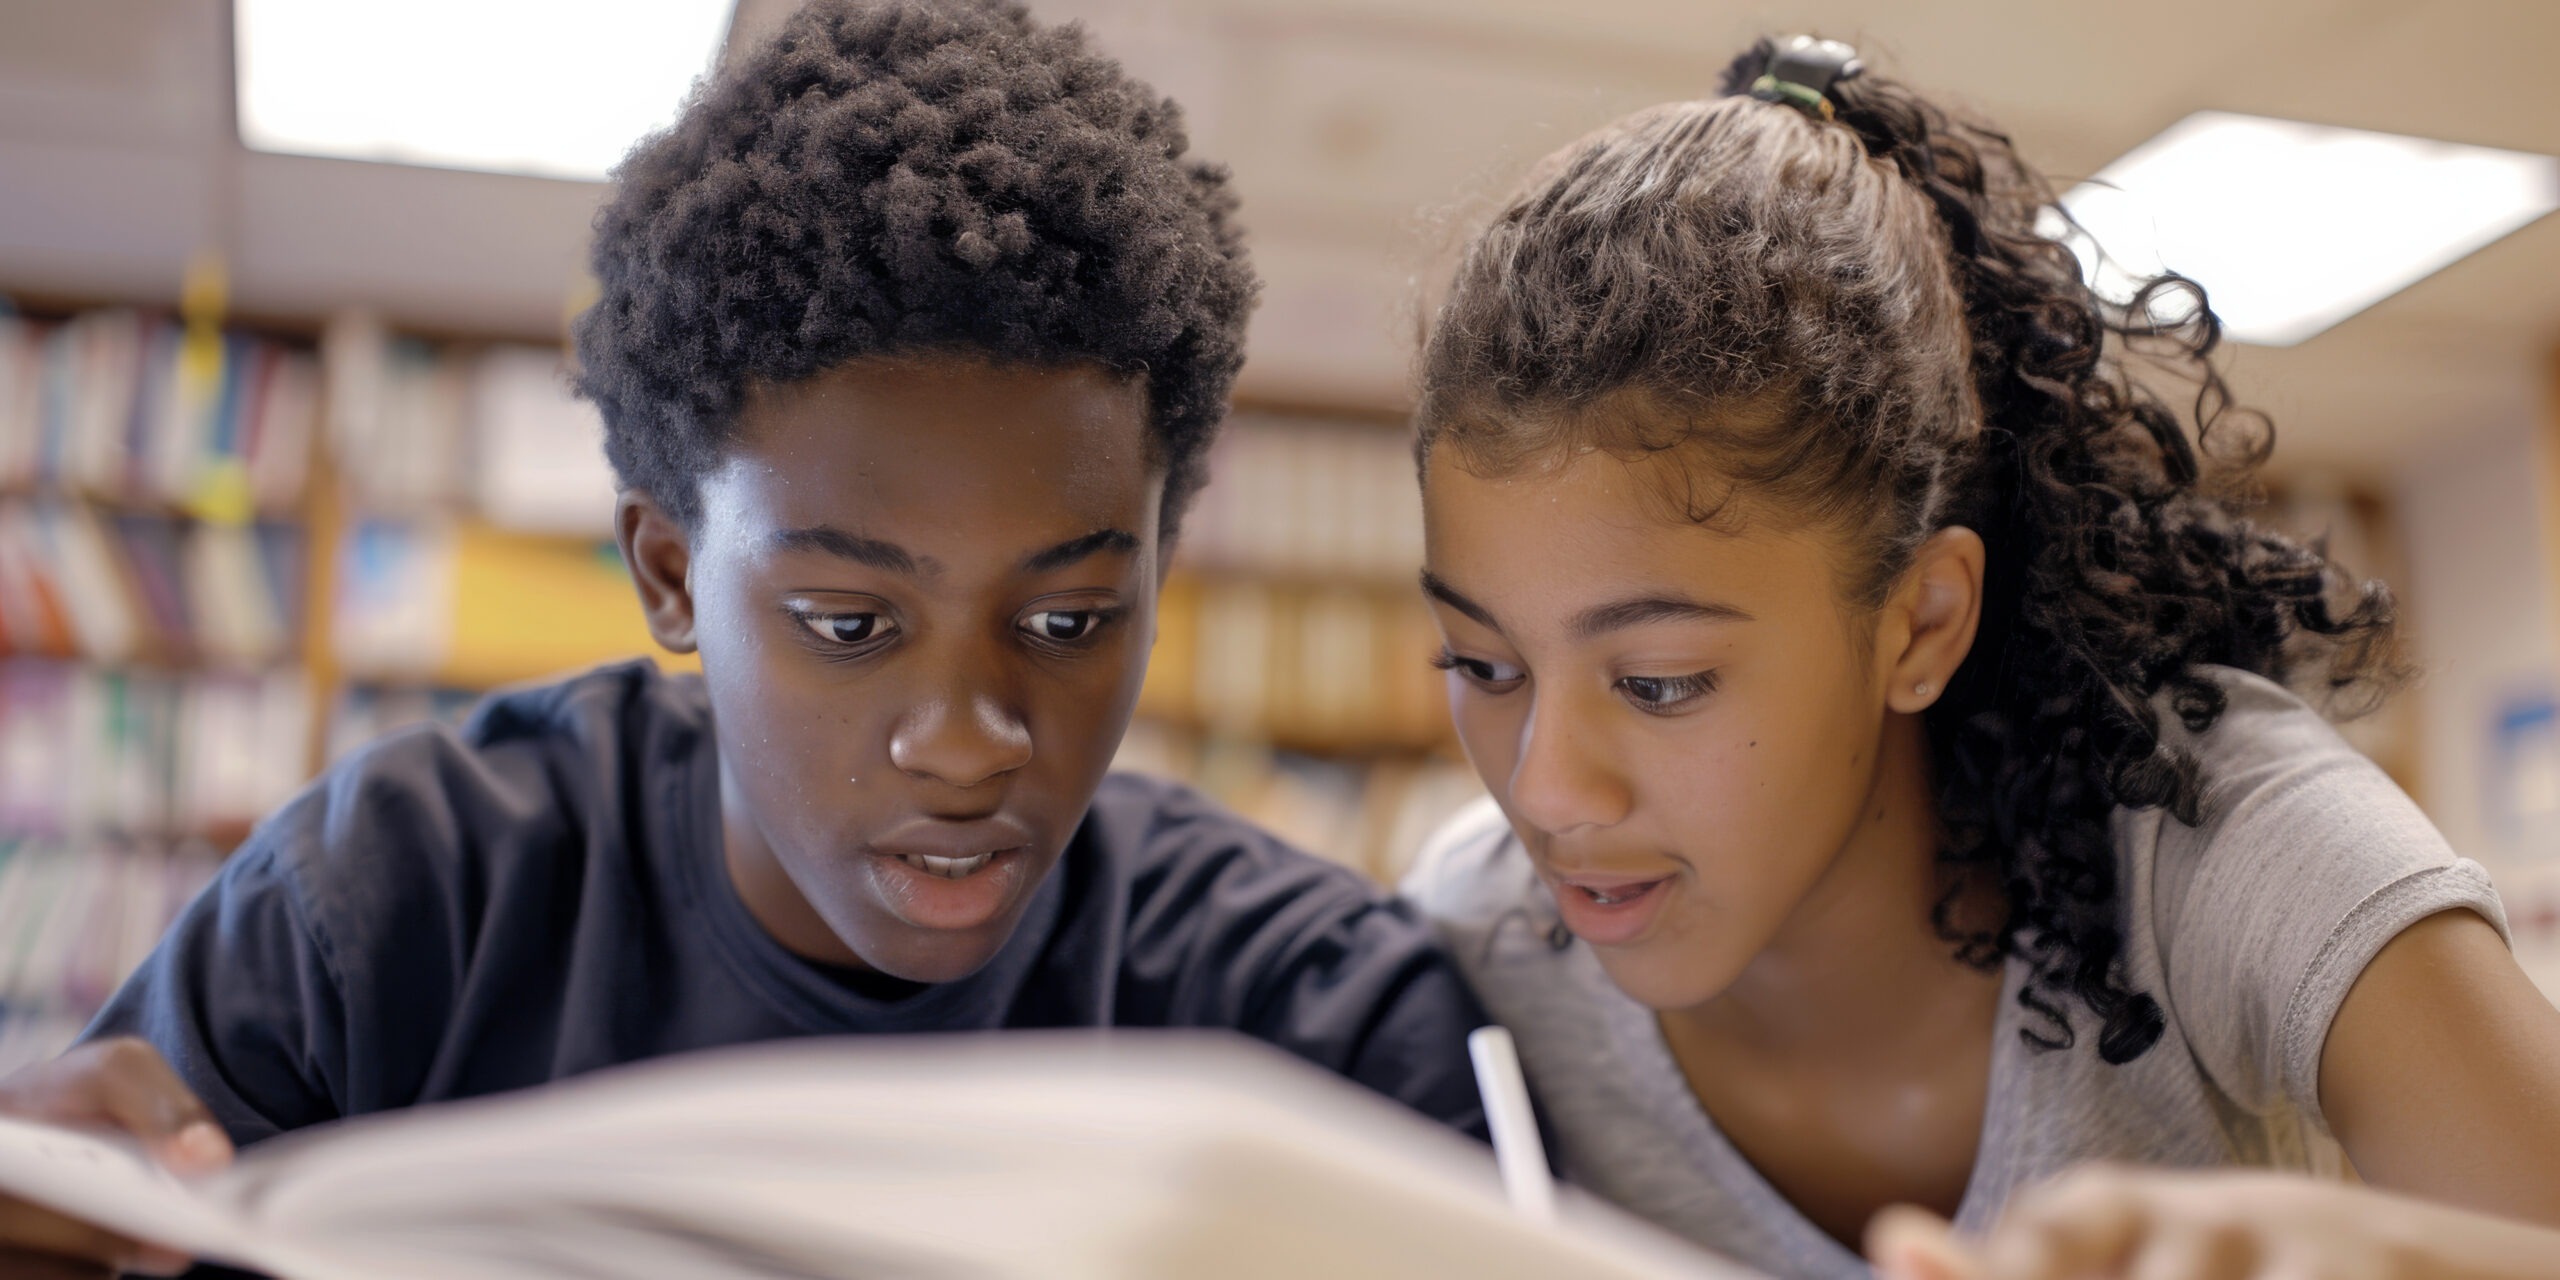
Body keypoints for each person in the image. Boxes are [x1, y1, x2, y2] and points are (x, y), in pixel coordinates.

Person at [0, 3, 1487, 1275]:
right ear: (666, 575)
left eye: (1068, 619)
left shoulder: (1307, 1008)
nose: (968, 737)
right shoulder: (387, 908)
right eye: (848, 622)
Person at [1397, 33, 2560, 1280]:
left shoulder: (2217, 833)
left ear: (1922, 621)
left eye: (1657, 680)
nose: (1544, 791)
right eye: (1482, 664)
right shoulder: (1475, 939)